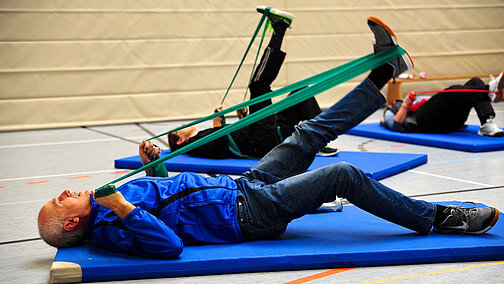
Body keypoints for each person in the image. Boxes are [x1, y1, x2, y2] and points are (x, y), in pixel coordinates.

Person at [38, 13, 499, 259]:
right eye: (60, 202)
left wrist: (154, 161)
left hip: (242, 187)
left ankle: (384, 72)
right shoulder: (110, 229)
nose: (64, 193)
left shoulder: (106, 203)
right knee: (342, 173)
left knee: (308, 133)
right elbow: (167, 245)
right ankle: (437, 217)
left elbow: (166, 196)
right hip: (249, 213)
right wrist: (125, 209)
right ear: (73, 224)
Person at [168, 7, 338, 159]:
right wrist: (218, 122)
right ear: (181, 141)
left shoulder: (200, 137)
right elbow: (221, 148)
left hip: (268, 134)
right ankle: (280, 28)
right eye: (179, 129)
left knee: (300, 93)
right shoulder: (194, 146)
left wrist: (244, 118)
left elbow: (234, 140)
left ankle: (319, 139)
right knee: (258, 85)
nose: (183, 124)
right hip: (262, 145)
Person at [382, 72, 504, 137]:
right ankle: (489, 91)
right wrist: (406, 103)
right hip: (425, 122)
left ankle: (486, 123)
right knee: (448, 93)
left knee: (475, 81)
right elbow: (397, 125)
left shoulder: (417, 100)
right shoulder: (390, 111)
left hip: (450, 120)